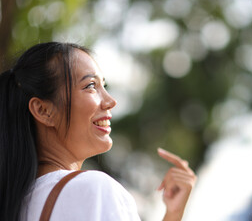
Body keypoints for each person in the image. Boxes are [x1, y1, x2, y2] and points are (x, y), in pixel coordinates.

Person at [0, 42, 196, 221]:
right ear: (43, 111)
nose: (111, 101)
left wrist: (173, 214)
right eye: (90, 86)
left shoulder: (18, 204)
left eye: (104, 86)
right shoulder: (94, 190)